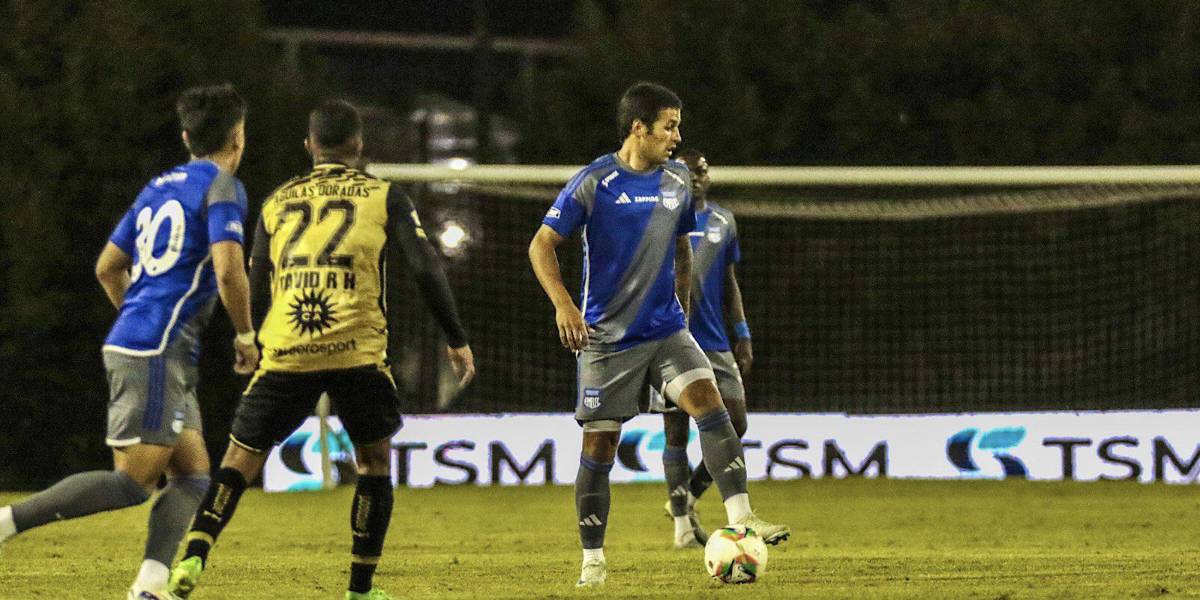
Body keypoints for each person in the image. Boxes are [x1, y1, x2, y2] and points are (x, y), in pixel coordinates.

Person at [167, 99, 475, 600]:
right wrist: (456, 338)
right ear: (358, 146)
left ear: (309, 146)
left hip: (289, 350)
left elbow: (257, 283)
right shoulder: (384, 195)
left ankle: (192, 561)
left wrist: (251, 339)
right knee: (374, 464)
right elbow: (424, 267)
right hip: (357, 353)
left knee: (237, 464)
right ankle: (359, 590)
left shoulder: (277, 200)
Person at [0, 83, 257, 600]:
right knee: (130, 485)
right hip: (157, 350)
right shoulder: (223, 187)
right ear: (238, 137)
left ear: (187, 136)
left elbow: (107, 268)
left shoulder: (158, 187)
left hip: (146, 343)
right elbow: (230, 271)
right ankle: (5, 523)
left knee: (193, 476)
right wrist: (246, 336)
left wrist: (139, 318)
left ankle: (151, 585)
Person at [528, 82, 788, 588]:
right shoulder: (593, 182)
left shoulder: (676, 179)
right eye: (669, 126)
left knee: (714, 412)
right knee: (599, 451)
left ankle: (741, 520)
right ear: (637, 128)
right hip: (607, 339)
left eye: (678, 125)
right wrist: (564, 305)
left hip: (667, 330)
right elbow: (542, 246)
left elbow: (683, 251)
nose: (677, 135)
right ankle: (593, 560)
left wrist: (683, 317)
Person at [648, 149, 755, 549]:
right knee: (675, 432)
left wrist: (742, 331)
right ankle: (681, 529)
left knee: (737, 422)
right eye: (688, 171)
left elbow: (729, 281)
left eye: (702, 170)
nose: (696, 176)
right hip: (670, 339)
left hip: (713, 340)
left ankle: (689, 496)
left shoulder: (724, 221)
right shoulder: (657, 217)